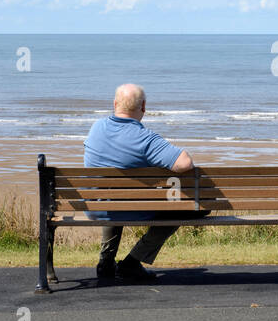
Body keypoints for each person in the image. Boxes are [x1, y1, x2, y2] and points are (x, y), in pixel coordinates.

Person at [83, 83, 201, 283]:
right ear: (144, 107)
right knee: (186, 208)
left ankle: (105, 263)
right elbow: (185, 163)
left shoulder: (96, 128)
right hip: (132, 207)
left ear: (115, 104)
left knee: (113, 197)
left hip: (96, 207)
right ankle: (131, 262)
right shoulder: (145, 139)